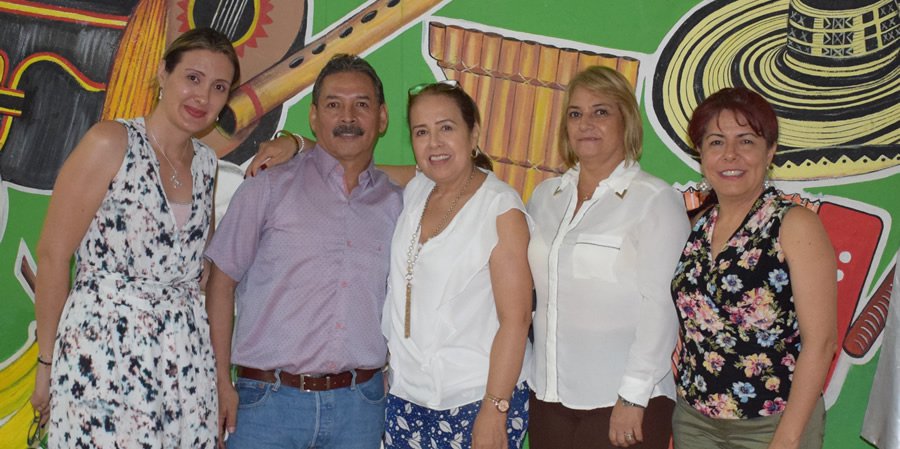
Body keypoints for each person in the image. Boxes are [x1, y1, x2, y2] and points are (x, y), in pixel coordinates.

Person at [30, 28, 239, 448]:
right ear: (163, 73)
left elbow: (204, 273)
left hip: (184, 359)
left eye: (219, 87)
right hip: (103, 352)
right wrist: (46, 363)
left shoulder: (206, 164)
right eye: (192, 78)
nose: (203, 97)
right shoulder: (110, 141)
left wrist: (219, 378)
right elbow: (53, 257)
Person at [204, 54, 403, 449]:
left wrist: (298, 142)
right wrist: (220, 381)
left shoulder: (398, 204)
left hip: (360, 408)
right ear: (314, 117)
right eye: (333, 105)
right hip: (265, 406)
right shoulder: (268, 188)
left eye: (361, 105)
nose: (348, 117)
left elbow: (453, 172)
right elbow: (220, 285)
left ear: (381, 118)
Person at [526, 66, 690, 449]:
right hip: (548, 395)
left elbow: (662, 307)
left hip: (623, 401)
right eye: (576, 113)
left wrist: (633, 396)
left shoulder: (655, 200)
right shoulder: (545, 197)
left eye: (601, 112)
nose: (586, 123)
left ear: (626, 121)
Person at [670, 87, 837, 449]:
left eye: (746, 140)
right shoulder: (698, 224)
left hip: (772, 426)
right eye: (716, 142)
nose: (730, 154)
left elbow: (821, 343)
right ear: (701, 154)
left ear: (770, 151)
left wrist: (788, 438)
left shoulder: (794, 226)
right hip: (695, 421)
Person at [378, 81, 533, 449]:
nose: (434, 143)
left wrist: (495, 410)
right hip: (405, 398)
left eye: (446, 128)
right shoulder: (418, 189)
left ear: (473, 133)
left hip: (475, 399)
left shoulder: (500, 207)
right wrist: (299, 145)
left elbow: (517, 320)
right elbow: (353, 163)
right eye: (421, 132)